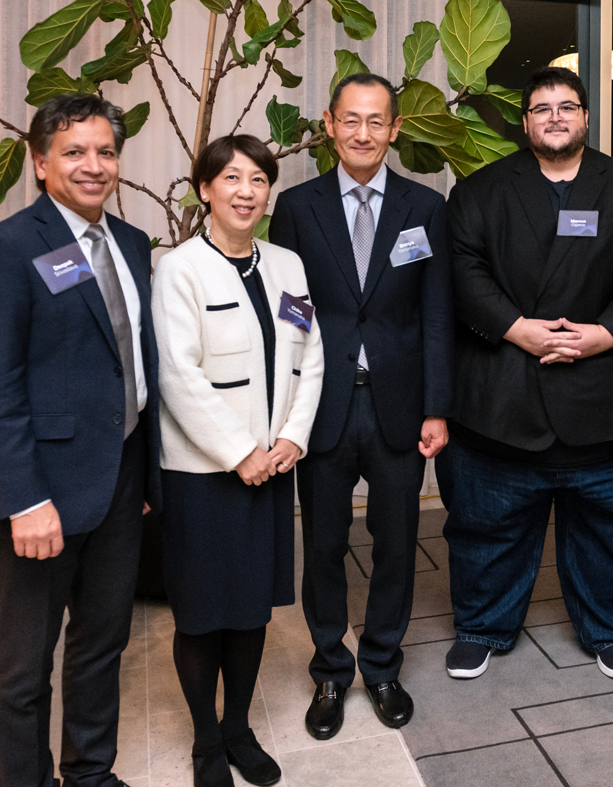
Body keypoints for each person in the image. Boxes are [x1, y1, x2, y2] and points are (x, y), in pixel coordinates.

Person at [440, 66, 613, 681]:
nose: (555, 117)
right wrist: (516, 328)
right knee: (486, 530)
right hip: (505, 396)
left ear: (585, 118)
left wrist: (603, 335)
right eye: (541, 108)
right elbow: (463, 270)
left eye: (567, 106)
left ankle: (608, 628)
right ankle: (482, 627)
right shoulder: (479, 191)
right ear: (526, 122)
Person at [0, 93, 160, 787]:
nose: (93, 165)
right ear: (40, 162)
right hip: (39, 498)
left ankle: (90, 774)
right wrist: (23, 499)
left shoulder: (132, 244)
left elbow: (131, 365)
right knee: (22, 667)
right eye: (74, 151)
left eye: (105, 151)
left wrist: (136, 479)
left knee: (103, 645)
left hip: (118, 484)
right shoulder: (6, 248)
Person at [268, 72, 452, 737]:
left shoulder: (426, 207)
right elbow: (286, 310)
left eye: (377, 121)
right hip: (321, 402)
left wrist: (438, 406)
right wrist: (284, 407)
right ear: (328, 123)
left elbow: (436, 313)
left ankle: (380, 663)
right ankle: (329, 668)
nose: (363, 133)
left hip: (401, 404)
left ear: (395, 129)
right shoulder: (295, 205)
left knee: (398, 539)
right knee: (321, 542)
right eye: (351, 119)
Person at [151, 134, 325, 787]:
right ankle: (204, 741)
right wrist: (238, 451)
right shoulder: (179, 268)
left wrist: (293, 439)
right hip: (202, 476)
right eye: (230, 178)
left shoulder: (287, 267)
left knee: (252, 609)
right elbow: (177, 374)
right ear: (205, 190)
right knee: (202, 612)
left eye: (257, 179)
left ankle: (238, 728)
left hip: (273, 469)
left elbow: (310, 357)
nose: (245, 190)